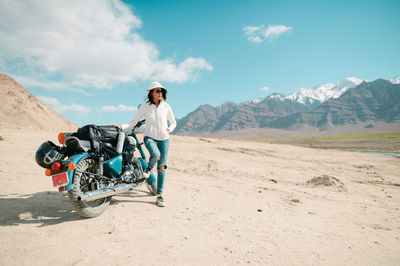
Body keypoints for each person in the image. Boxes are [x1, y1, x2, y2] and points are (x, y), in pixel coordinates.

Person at [114, 81, 176, 207]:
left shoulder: (166, 106)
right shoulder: (145, 106)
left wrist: (169, 129)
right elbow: (133, 121)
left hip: (164, 139)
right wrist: (121, 126)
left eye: (162, 91)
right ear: (151, 93)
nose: (160, 93)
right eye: (157, 91)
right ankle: (148, 169)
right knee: (155, 154)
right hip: (150, 137)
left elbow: (173, 122)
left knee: (162, 167)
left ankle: (159, 196)